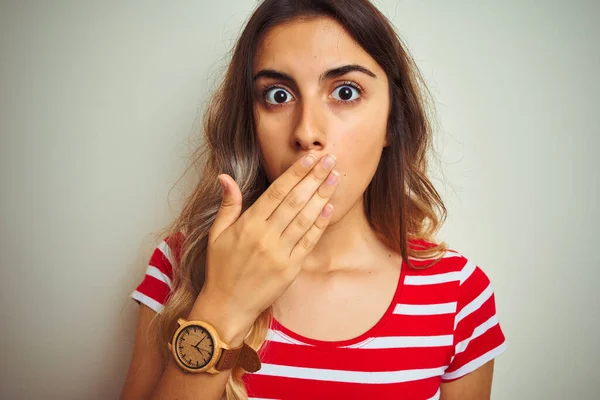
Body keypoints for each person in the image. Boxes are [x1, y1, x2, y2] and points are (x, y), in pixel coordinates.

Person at [120, 0, 507, 399]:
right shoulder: (180, 265)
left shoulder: (458, 294)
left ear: (393, 122)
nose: (306, 132)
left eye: (345, 91)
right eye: (277, 96)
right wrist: (223, 305)